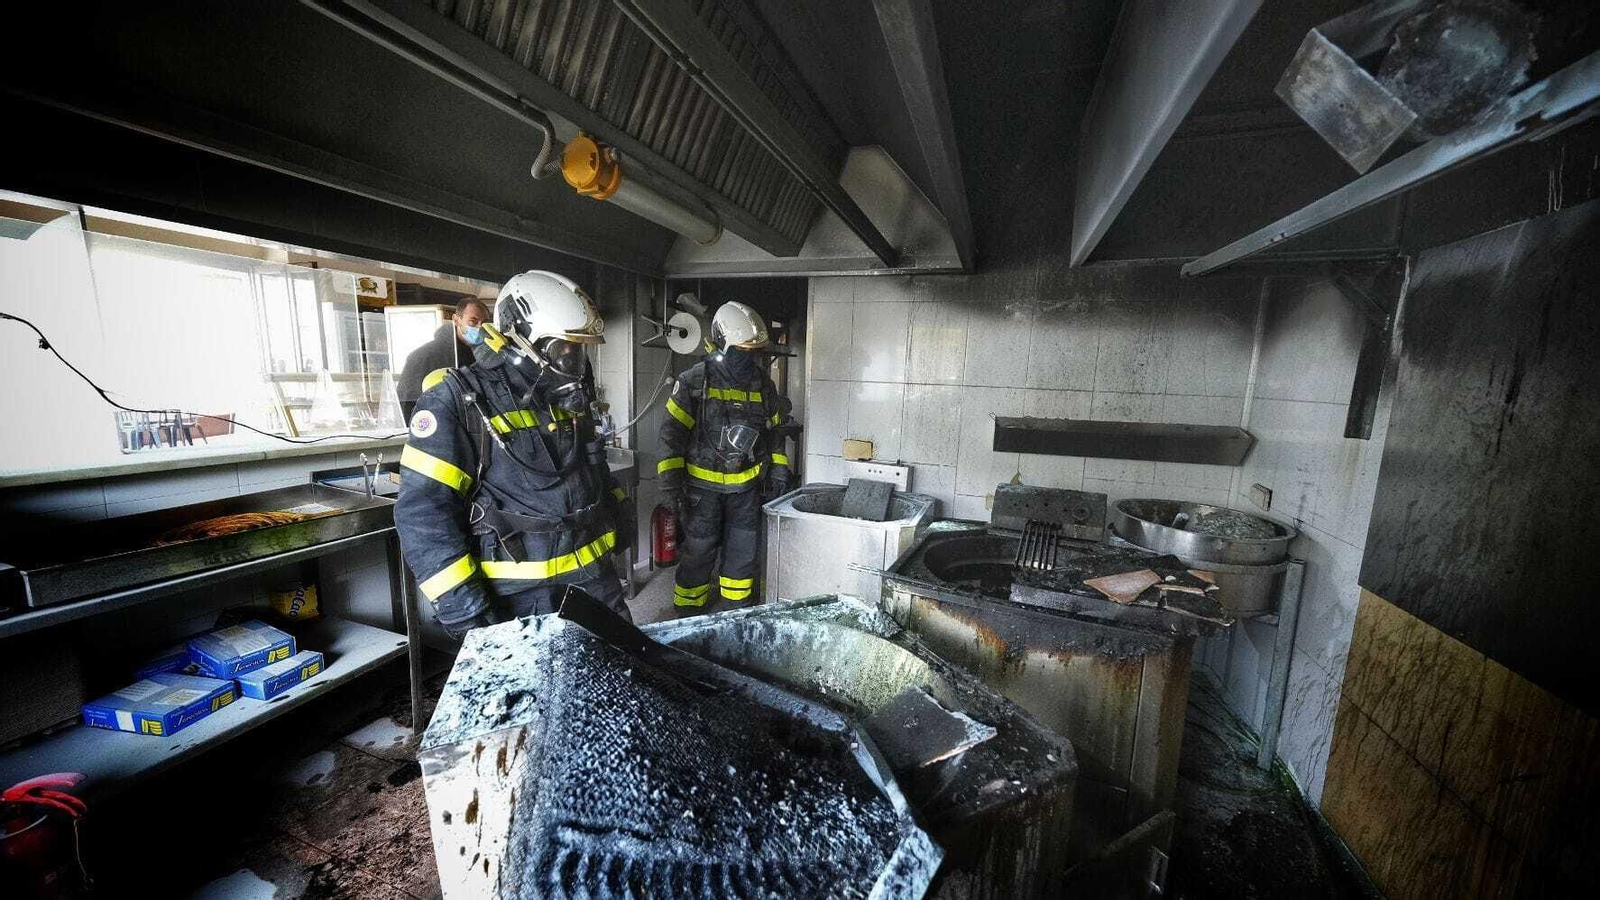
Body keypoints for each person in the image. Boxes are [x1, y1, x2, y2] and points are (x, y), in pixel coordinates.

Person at [395, 271, 631, 638]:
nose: (572, 358)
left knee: (624, 678)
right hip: (518, 598)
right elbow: (423, 513)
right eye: (562, 347)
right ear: (521, 340)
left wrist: (618, 514)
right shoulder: (456, 401)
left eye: (578, 347)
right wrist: (463, 607)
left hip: (596, 581)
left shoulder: (562, 397)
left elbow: (591, 469)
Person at [658, 301, 796, 608]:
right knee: (698, 552)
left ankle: (736, 613)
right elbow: (671, 438)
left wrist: (778, 472)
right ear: (721, 345)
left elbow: (775, 435)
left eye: (753, 352)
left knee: (742, 554)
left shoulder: (764, 386)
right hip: (701, 492)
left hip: (746, 490)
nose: (748, 358)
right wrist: (670, 487)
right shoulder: (694, 381)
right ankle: (688, 613)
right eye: (741, 351)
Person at [396, 297, 489, 422]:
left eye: (484, 322)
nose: (480, 327)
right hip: (441, 429)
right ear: (456, 320)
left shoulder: (488, 355)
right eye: (473, 321)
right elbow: (407, 404)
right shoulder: (424, 356)